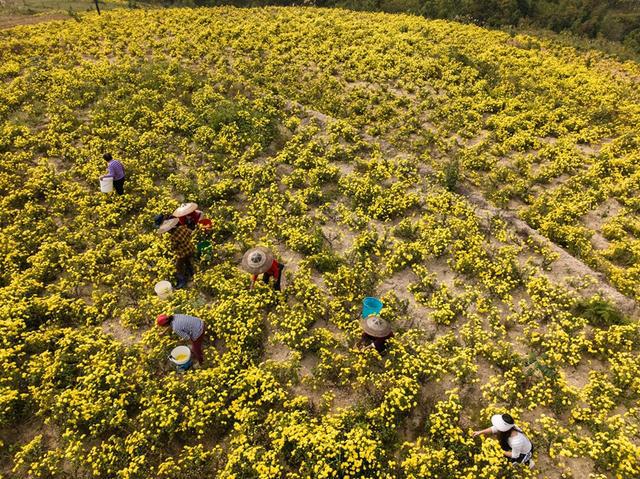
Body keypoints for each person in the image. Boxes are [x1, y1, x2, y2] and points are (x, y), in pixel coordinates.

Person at [158, 217, 195, 289]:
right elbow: (190, 232)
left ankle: (182, 281)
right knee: (187, 262)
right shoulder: (182, 227)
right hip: (191, 249)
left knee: (178, 267)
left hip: (182, 253)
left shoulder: (173, 237)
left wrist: (170, 246)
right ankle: (192, 273)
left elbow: (173, 247)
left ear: (169, 230)